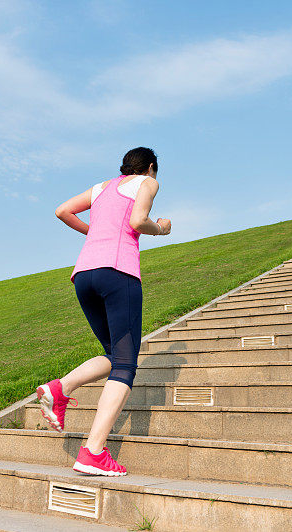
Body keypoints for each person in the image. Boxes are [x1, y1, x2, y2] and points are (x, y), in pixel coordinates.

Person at [36, 147, 171, 476]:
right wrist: (162, 228)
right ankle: (93, 452)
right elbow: (139, 221)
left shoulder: (102, 187)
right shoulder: (147, 183)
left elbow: (62, 211)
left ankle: (60, 388)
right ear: (150, 167)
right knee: (126, 365)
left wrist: (94, 232)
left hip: (84, 274)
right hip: (118, 271)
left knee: (114, 353)